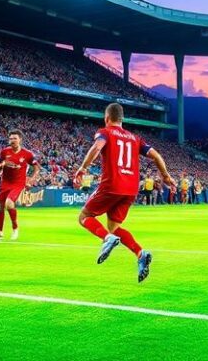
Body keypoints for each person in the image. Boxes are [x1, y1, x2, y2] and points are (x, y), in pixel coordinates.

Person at [75, 103, 176, 283]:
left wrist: (82, 168)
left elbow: (97, 147)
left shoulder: (105, 132)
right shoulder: (135, 138)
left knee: (84, 217)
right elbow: (157, 156)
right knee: (114, 227)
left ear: (107, 118)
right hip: (130, 189)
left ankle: (107, 238)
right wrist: (166, 176)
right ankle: (140, 254)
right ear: (122, 119)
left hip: (112, 184)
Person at [0, 129, 42, 242]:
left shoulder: (27, 154)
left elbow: (37, 167)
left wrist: (32, 180)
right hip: (5, 183)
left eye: (15, 138)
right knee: (0, 208)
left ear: (20, 140)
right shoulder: (4, 152)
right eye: (11, 138)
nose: (12, 140)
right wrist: (3, 164)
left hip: (18, 183)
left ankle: (15, 228)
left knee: (9, 203)